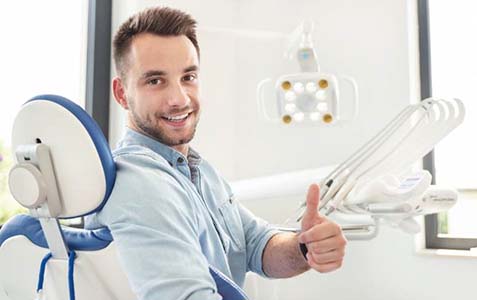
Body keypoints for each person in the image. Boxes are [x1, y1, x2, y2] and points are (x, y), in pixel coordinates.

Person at [86, 6, 347, 300]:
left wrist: (304, 247)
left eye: (188, 77)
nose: (179, 99)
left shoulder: (197, 170)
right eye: (155, 81)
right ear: (122, 93)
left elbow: (256, 245)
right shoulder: (140, 183)